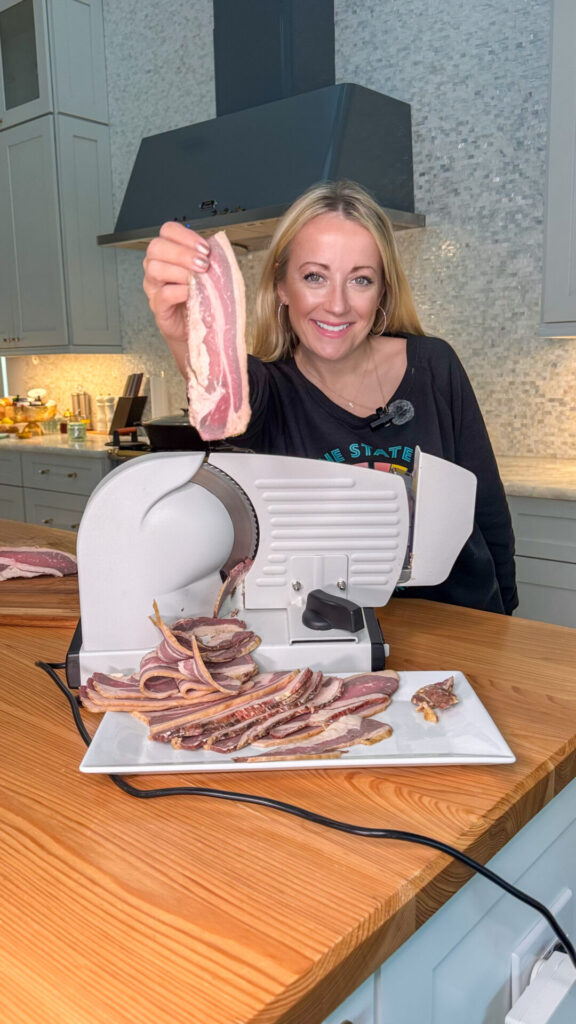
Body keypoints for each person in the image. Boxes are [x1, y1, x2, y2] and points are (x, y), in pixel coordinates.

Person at [142, 179, 517, 615]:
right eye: (315, 277)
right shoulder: (269, 392)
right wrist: (184, 333)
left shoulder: (435, 364)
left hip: (462, 622)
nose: (337, 305)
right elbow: (224, 390)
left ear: (382, 291)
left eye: (361, 279)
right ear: (282, 285)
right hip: (335, 633)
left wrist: (508, 620)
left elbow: (487, 509)